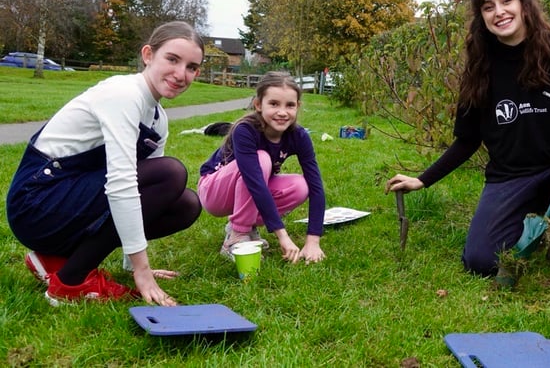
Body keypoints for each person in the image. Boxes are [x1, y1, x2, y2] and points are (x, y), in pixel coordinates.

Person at [385, 0, 550, 285]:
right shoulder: (480, 69)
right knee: (481, 262)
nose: (499, 11)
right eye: (488, 7)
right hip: (510, 179)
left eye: (506, 0)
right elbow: (467, 140)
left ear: (523, 3)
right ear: (482, 16)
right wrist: (422, 180)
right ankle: (528, 233)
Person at [6, 21, 205, 306]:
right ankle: (69, 282)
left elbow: (147, 198)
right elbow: (123, 183)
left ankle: (56, 260)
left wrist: (129, 264)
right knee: (170, 173)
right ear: (148, 54)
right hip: (37, 202)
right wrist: (142, 270)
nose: (180, 73)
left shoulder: (157, 118)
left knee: (185, 204)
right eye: (172, 59)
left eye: (191, 67)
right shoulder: (123, 94)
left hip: (69, 201)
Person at [198, 71, 326, 264]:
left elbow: (316, 186)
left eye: (290, 105)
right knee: (262, 160)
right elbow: (256, 184)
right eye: (274, 104)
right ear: (258, 105)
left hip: (247, 188)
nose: (282, 112)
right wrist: (282, 236)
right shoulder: (245, 130)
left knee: (301, 186)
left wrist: (313, 240)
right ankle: (237, 235)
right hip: (214, 192)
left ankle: (245, 227)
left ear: (298, 106)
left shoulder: (299, 136)